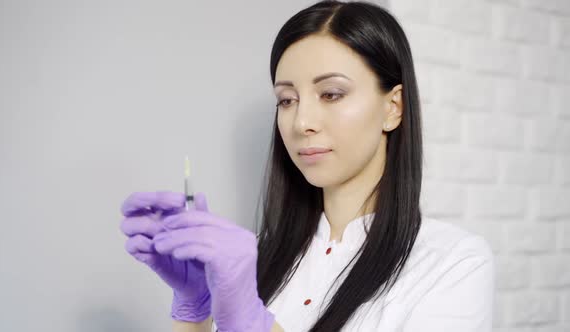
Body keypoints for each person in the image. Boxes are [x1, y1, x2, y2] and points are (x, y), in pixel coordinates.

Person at [119, 1, 495, 331]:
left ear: (392, 107)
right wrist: (194, 311)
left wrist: (250, 321)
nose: (301, 123)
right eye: (286, 100)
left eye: (331, 93)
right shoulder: (256, 258)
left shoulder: (453, 263)